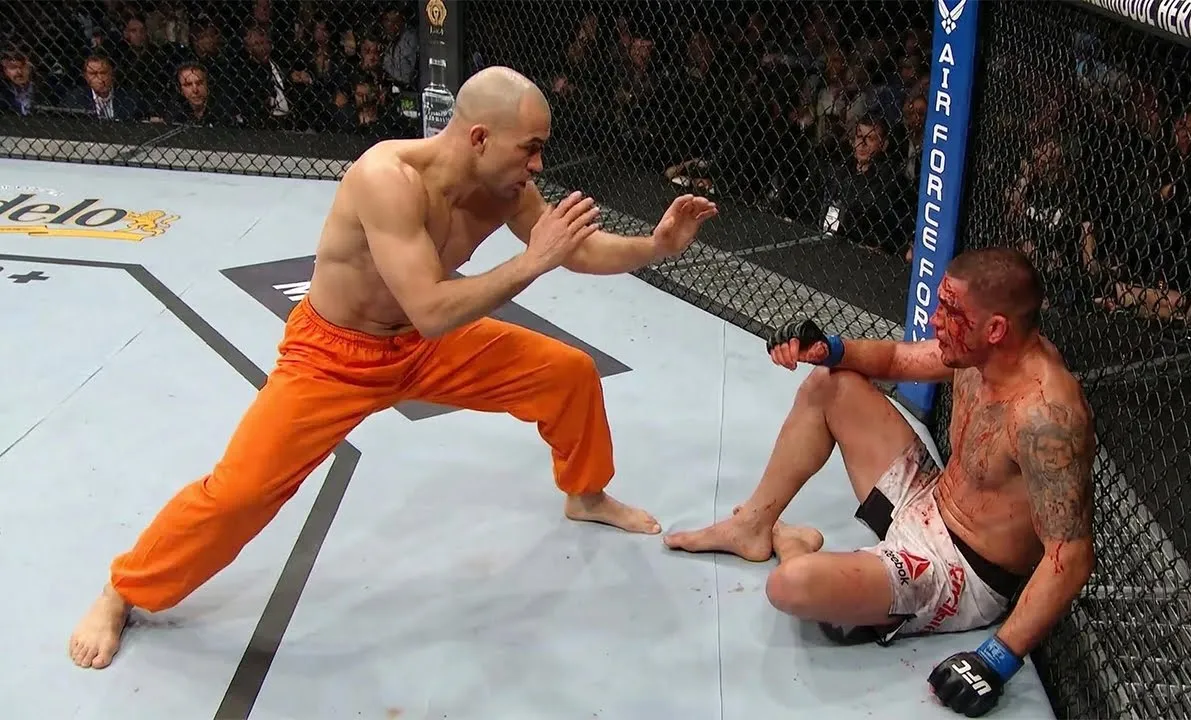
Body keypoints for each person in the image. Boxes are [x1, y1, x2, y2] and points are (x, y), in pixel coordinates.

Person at [69, 65, 719, 670]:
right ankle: (123, 590)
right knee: (237, 494)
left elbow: (574, 251)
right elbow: (434, 308)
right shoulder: (387, 178)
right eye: (530, 148)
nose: (538, 164)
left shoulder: (506, 186)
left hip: (421, 345)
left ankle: (585, 493)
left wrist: (655, 246)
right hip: (335, 356)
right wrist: (530, 262)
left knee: (567, 372)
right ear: (480, 137)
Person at [664, 247, 1096, 717]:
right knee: (831, 383)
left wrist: (997, 659)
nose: (934, 321)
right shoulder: (978, 353)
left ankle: (796, 547)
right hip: (929, 498)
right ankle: (751, 526)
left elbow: (1070, 556)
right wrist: (828, 348)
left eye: (949, 312)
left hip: (958, 571)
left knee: (791, 585)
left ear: (995, 329)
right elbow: (896, 358)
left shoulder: (1045, 416)